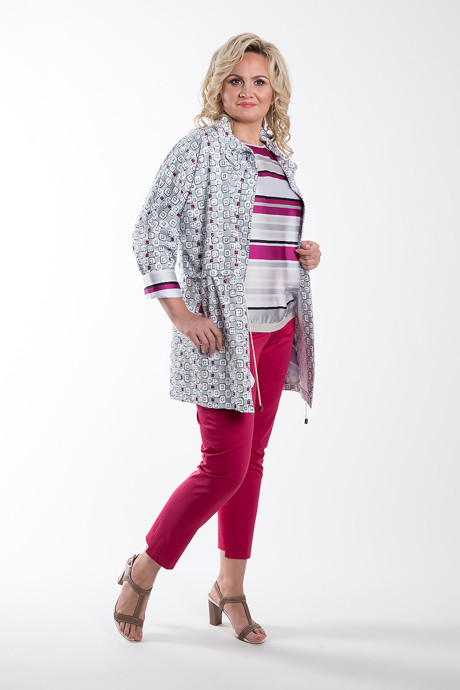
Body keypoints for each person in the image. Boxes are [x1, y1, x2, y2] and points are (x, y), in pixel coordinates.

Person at [114, 32, 321, 645]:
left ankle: (229, 587)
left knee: (250, 464)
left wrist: (304, 253)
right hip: (225, 339)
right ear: (219, 86)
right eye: (236, 80)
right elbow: (150, 229)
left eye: (260, 81)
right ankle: (144, 569)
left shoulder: (279, 161)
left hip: (279, 327)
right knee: (223, 468)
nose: (247, 91)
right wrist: (180, 314)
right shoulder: (200, 150)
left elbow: (262, 237)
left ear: (275, 92)